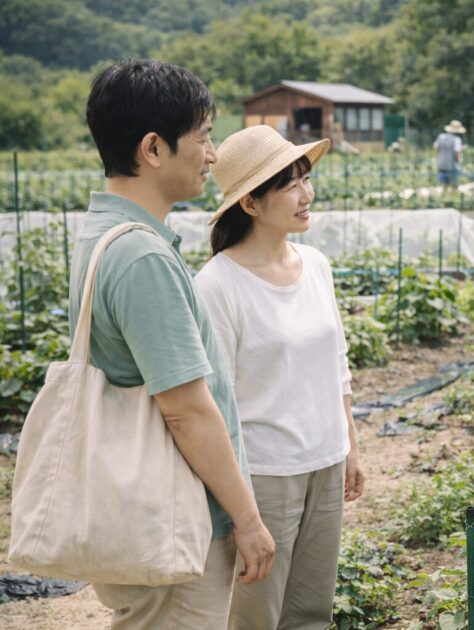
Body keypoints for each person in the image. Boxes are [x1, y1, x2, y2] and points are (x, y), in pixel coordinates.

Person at [73, 59, 275, 628]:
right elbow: (186, 410)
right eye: (205, 138)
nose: (213, 155)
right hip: (175, 521)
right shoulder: (141, 257)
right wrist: (248, 519)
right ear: (154, 148)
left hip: (139, 511)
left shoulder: (101, 233)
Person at [193, 125, 366, 630]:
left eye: (306, 179)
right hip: (265, 474)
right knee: (257, 616)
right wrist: (239, 508)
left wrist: (350, 445)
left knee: (311, 611)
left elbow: (337, 361)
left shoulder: (315, 265)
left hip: (326, 461)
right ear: (250, 203)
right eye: (290, 184)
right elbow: (212, 401)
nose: (307, 194)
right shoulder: (218, 286)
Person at [433, 119, 465, 190]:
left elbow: (435, 147)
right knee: (454, 185)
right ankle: (453, 198)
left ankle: (444, 198)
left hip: (441, 163)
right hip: (452, 165)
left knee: (445, 185)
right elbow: (457, 152)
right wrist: (459, 161)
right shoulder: (456, 139)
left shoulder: (441, 137)